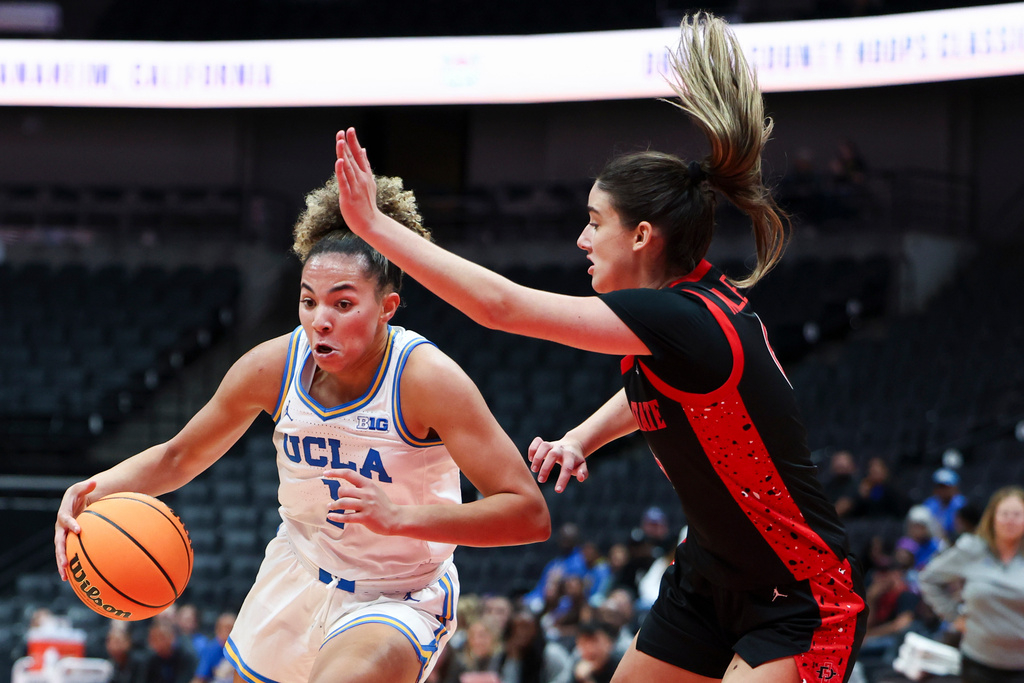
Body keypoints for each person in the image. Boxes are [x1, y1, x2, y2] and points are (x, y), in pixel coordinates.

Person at [333, 11, 866, 683]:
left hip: (798, 596)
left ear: (642, 236)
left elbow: (500, 307)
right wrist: (583, 437)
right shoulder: (689, 314)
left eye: (594, 222)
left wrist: (373, 227)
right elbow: (668, 391)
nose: (582, 240)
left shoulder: (679, 319)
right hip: (706, 582)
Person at [53, 174, 550, 683]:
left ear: (387, 308)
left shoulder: (427, 380)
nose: (320, 320)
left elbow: (527, 514)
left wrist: (399, 517)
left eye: (343, 303)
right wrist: (90, 490)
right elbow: (178, 457)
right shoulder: (272, 366)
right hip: (296, 574)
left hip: (396, 594)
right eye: (309, 301)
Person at [918, 486, 1024, 683]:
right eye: (1004, 514)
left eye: (1017, 514)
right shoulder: (972, 548)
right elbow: (928, 578)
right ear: (992, 518)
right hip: (978, 663)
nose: (1010, 520)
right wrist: (953, 616)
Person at [921, 468, 966, 541]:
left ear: (954, 487)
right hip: (932, 541)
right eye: (939, 487)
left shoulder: (961, 504)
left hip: (956, 540)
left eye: (946, 487)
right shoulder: (929, 504)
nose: (942, 490)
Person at [191, 612, 236, 683]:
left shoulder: (241, 651)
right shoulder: (210, 649)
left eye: (232, 629)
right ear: (218, 630)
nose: (229, 632)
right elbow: (200, 678)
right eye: (226, 628)